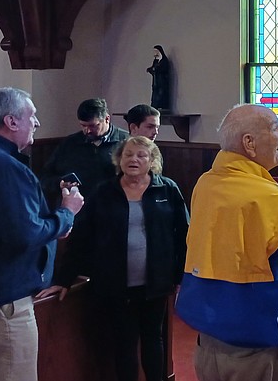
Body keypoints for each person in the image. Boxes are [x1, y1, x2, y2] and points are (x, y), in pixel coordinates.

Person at [175, 104, 278, 381]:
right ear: (249, 143)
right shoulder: (273, 199)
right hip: (257, 345)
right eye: (276, 128)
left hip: (208, 336)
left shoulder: (205, 184)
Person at [38, 136, 189, 381]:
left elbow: (184, 233)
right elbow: (83, 237)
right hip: (115, 283)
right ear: (119, 159)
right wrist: (64, 279)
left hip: (157, 281)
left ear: (152, 161)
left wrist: (182, 275)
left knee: (153, 338)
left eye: (141, 155)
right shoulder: (104, 191)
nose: (134, 159)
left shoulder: (167, 189)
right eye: (128, 154)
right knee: (124, 342)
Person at [0, 87, 85, 381]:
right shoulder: (6, 166)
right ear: (11, 122)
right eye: (32, 116)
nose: (37, 123)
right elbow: (25, 233)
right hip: (8, 298)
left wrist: (53, 223)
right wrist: (67, 211)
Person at [41, 97, 130, 201]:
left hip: (113, 205)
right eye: (83, 125)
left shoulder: (126, 142)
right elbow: (46, 176)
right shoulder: (70, 143)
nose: (87, 131)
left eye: (93, 126)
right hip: (79, 208)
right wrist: (59, 183)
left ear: (107, 119)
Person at [147, 45, 171, 111]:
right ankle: (154, 107)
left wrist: (156, 69)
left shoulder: (164, 61)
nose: (155, 53)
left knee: (161, 95)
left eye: (156, 51)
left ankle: (162, 107)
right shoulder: (155, 61)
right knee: (155, 96)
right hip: (156, 82)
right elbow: (153, 68)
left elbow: (163, 69)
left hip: (162, 82)